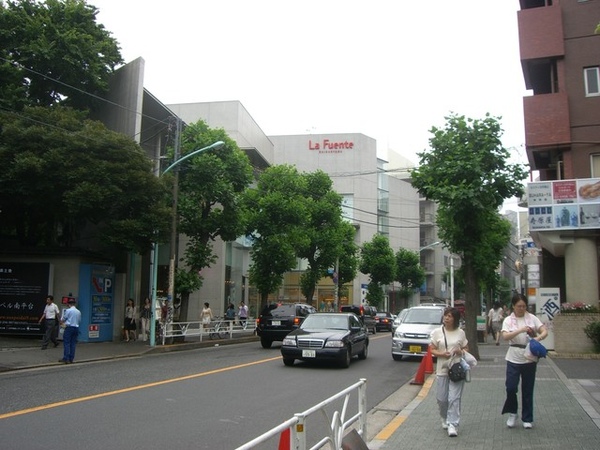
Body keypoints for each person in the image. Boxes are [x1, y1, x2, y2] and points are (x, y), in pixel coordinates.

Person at [501, 293, 548, 430]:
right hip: (513, 357)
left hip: (529, 358)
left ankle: (527, 418)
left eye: (523, 306)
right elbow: (505, 336)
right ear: (513, 306)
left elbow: (544, 331)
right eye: (518, 306)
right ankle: (512, 412)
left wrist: (537, 338)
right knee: (511, 387)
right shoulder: (508, 320)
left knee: (528, 389)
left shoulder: (532, 318)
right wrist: (520, 330)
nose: (521, 309)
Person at [430, 307, 469, 438]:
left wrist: (460, 351)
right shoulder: (437, 332)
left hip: (456, 368)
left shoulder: (460, 333)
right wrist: (442, 354)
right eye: (445, 315)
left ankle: (453, 424)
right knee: (442, 398)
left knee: (454, 398)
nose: (446, 318)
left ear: (455, 319)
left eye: (450, 316)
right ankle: (444, 416)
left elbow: (466, 348)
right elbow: (432, 349)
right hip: (442, 368)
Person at [58, 298, 81, 364]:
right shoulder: (78, 311)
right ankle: (71, 359)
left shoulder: (68, 310)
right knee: (73, 344)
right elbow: (79, 320)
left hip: (69, 328)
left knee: (67, 343)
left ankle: (66, 358)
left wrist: (61, 322)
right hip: (76, 328)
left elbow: (64, 319)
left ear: (69, 304)